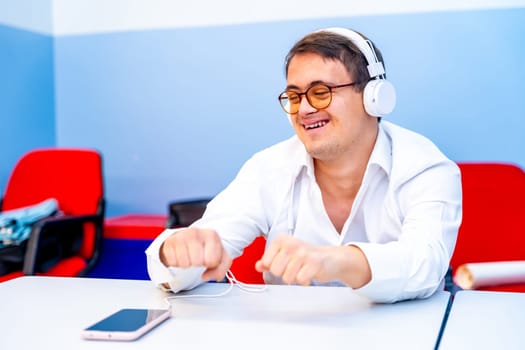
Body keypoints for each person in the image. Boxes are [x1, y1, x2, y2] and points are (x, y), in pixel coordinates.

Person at [145, 27, 462, 303]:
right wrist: (176, 253)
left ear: (373, 96)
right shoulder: (268, 168)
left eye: (321, 92)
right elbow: (193, 253)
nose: (305, 109)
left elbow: (425, 264)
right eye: (294, 97)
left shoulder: (426, 168)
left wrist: (338, 261)